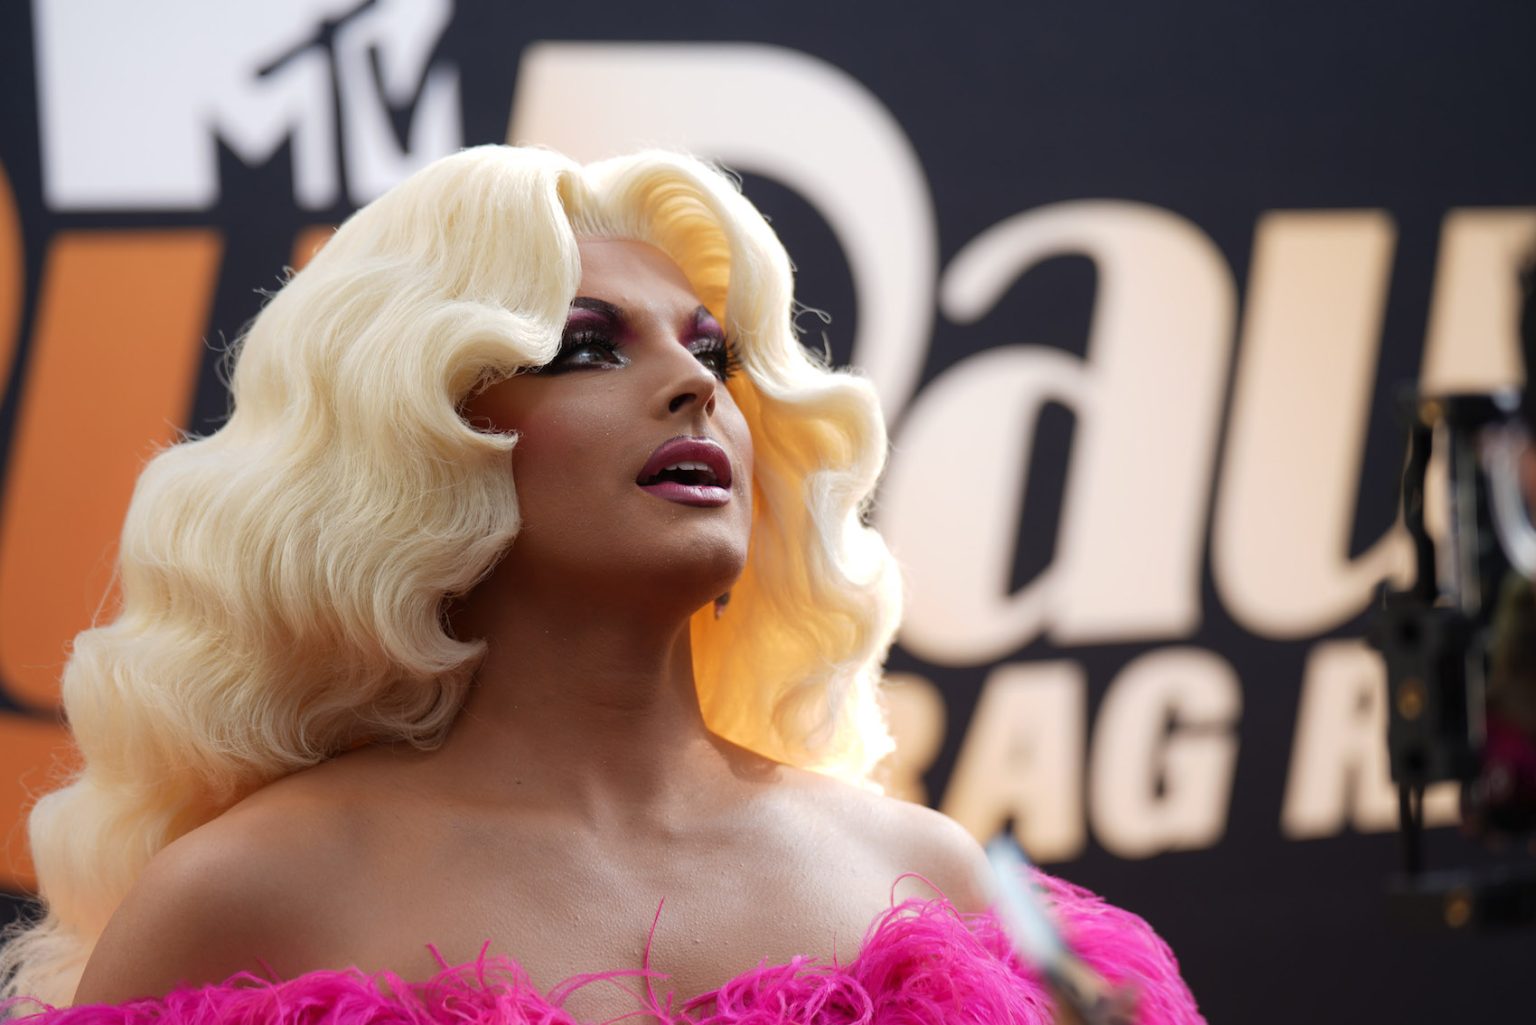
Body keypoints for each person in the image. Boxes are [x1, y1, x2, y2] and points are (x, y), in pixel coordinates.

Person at [0, 146, 1202, 1024]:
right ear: (421, 442)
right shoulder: (246, 897)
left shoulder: (925, 881)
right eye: (587, 346)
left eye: (712, 348)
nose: (694, 384)